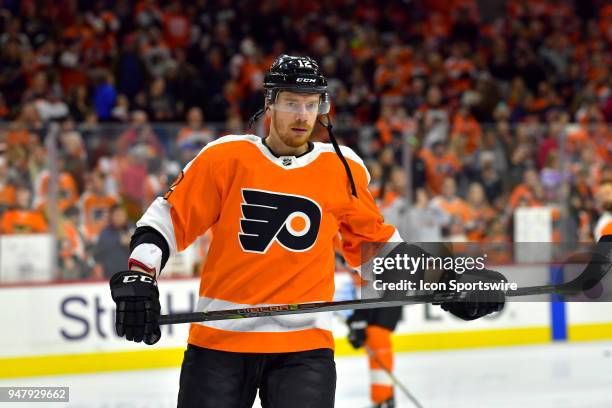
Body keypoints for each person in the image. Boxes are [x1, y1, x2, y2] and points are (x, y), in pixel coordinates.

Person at [109, 55, 506, 408]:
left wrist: (449, 280)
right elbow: (165, 220)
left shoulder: (341, 167)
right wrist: (140, 278)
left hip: (303, 348)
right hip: (221, 341)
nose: (302, 115)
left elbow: (378, 252)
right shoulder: (225, 158)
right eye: (291, 103)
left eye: (311, 104)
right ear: (269, 103)